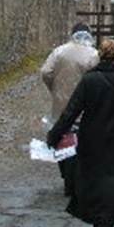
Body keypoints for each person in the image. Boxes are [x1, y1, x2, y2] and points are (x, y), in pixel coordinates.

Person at [47, 38, 114, 227]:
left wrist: (55, 134)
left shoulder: (89, 80)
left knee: (95, 180)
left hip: (93, 137)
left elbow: (72, 111)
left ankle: (99, 223)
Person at [41, 24, 99, 194]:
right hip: (85, 105)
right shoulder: (93, 54)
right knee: (84, 140)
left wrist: (54, 88)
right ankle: (81, 179)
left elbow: (46, 72)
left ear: (72, 34)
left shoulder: (59, 51)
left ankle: (67, 177)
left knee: (61, 137)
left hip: (61, 104)